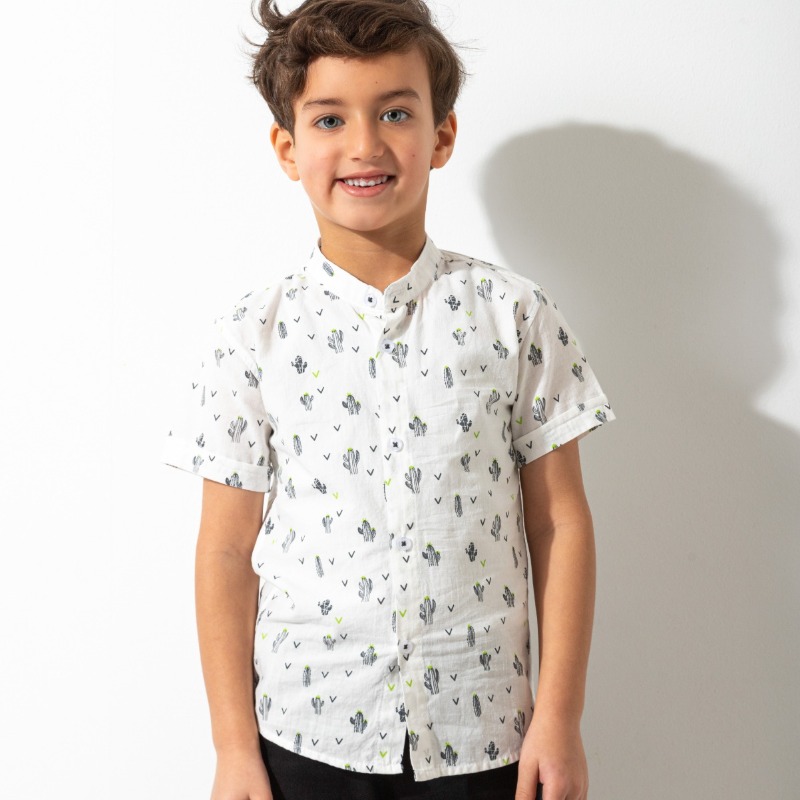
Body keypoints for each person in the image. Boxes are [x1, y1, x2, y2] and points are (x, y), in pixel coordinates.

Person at [161, 1, 615, 798]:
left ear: (442, 135)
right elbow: (226, 550)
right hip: (306, 736)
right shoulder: (251, 334)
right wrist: (233, 748)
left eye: (396, 113)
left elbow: (559, 523)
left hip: (484, 736)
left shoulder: (515, 315)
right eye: (330, 118)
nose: (365, 145)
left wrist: (560, 716)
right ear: (287, 146)